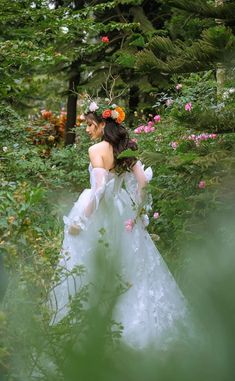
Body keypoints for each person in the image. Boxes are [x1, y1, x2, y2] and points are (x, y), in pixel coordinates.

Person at [49, 100, 189, 349]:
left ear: (103, 124)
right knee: (131, 268)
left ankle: (91, 331)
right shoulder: (125, 147)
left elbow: (100, 189)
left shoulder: (96, 150)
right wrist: (137, 213)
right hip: (122, 211)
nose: (87, 129)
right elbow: (143, 182)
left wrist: (80, 220)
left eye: (90, 125)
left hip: (99, 212)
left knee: (92, 265)